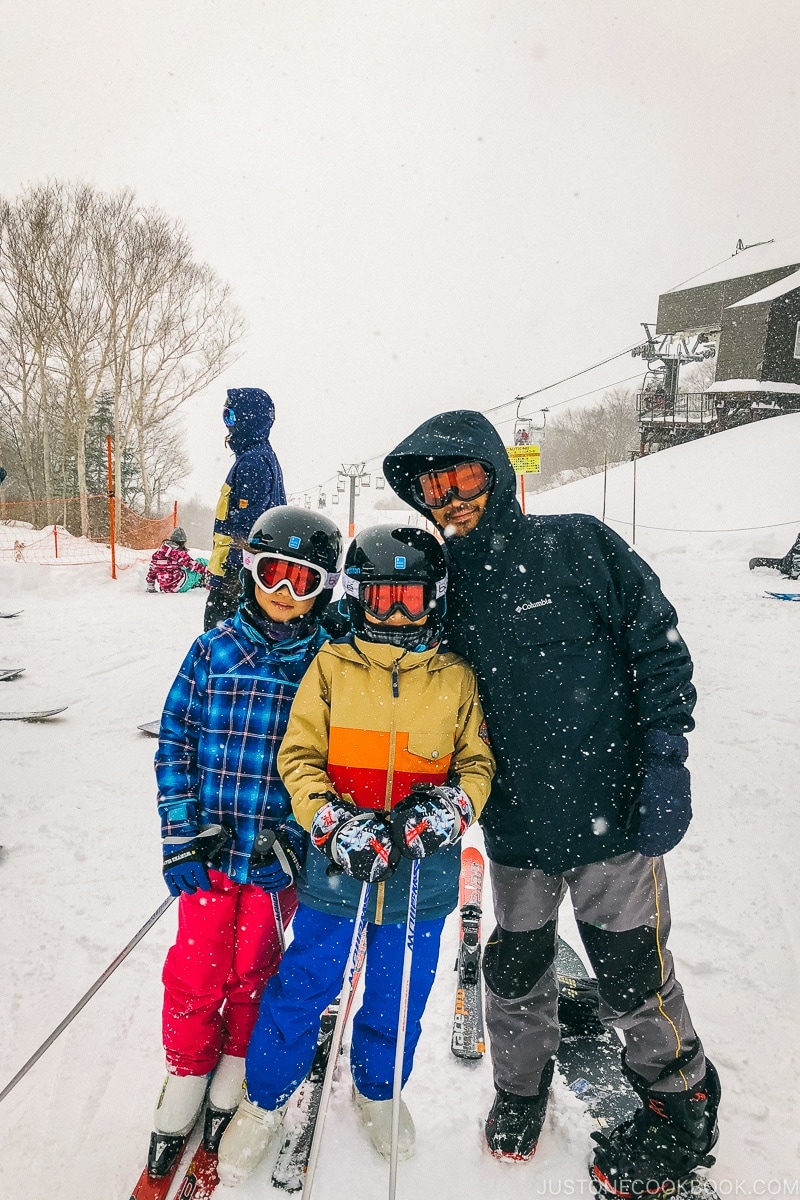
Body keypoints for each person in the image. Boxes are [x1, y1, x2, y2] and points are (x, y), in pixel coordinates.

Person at [383, 410, 720, 1199]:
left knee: (635, 974)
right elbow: (385, 630)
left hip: (614, 818)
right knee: (516, 967)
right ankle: (520, 1088)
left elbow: (658, 646)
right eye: (432, 485)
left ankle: (681, 1101)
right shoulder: (447, 584)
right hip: (519, 827)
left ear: (495, 473)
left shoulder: (577, 544)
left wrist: (666, 758)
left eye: (461, 477)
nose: (449, 497)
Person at [216, 525, 495, 1187]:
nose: (394, 613)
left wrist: (453, 807)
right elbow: (299, 757)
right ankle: (264, 1099)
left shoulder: (455, 676)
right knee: (306, 982)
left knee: (401, 991)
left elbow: (477, 762)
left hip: (421, 876)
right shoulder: (333, 666)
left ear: (436, 598)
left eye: (410, 598)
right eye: (381, 598)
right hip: (341, 867)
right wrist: (329, 819)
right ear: (359, 597)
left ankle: (377, 1089)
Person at [145, 506, 343, 1182]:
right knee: (195, 970)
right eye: (271, 574)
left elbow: (328, 765)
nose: (284, 593)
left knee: (253, 969)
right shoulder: (214, 648)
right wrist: (181, 830)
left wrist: (294, 838)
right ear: (251, 572)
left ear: (325, 589)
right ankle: (187, 1072)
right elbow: (175, 738)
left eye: (303, 581)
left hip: (270, 860)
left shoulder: (325, 665)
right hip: (209, 849)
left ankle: (236, 1065)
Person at [205, 387, 287, 631]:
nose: (227, 425)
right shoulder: (258, 456)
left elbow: (249, 527)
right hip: (244, 572)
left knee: (219, 643)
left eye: (230, 416)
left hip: (238, 576)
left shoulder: (254, 461)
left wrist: (235, 576)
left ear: (247, 420)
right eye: (224, 416)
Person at [145, 527, 209, 593]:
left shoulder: (158, 554)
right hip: (179, 586)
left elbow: (152, 570)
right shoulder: (178, 553)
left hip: (165, 588)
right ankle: (211, 581)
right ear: (183, 542)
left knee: (183, 569)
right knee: (201, 561)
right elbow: (193, 565)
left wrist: (150, 585)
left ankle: (197, 582)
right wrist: (209, 572)